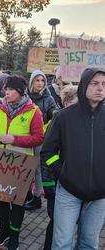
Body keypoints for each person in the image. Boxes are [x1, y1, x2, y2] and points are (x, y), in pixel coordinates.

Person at [41, 68, 105, 250]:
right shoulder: (64, 117)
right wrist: (63, 173)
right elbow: (47, 151)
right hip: (69, 192)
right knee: (62, 243)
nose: (100, 88)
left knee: (89, 244)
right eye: (95, 83)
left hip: (99, 196)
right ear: (84, 85)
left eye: (104, 84)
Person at [0, 75, 44, 250]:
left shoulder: (34, 111)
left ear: (20, 91)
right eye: (6, 89)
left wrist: (14, 139)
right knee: (1, 202)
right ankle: (4, 231)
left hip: (21, 165)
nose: (7, 92)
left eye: (11, 89)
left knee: (17, 203)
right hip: (0, 164)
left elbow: (39, 138)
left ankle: (15, 236)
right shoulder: (1, 109)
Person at [25, 70, 57, 211]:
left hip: (40, 139)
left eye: (42, 80)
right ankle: (24, 195)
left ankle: (37, 198)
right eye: (37, 80)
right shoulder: (25, 97)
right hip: (24, 137)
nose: (40, 83)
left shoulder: (48, 98)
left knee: (37, 169)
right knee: (25, 167)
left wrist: (55, 114)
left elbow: (54, 114)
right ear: (32, 82)